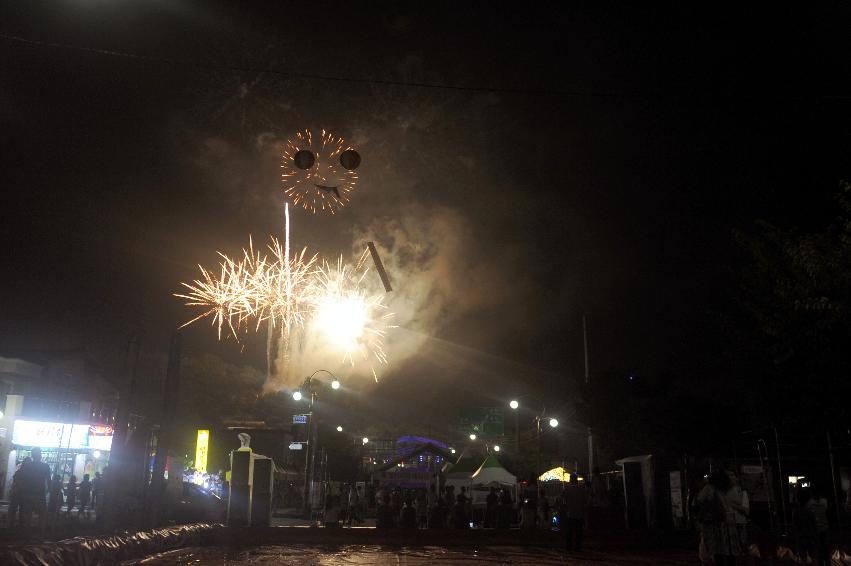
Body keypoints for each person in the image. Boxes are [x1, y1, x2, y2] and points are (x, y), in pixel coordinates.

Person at [695, 469, 737, 566]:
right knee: (726, 548)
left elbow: (699, 500)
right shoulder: (726, 488)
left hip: (711, 521)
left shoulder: (709, 488)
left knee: (713, 548)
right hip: (724, 520)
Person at [20, 448, 51, 529]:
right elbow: (49, 482)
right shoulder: (45, 466)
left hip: (29, 493)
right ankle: (40, 536)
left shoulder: (28, 466)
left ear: (32, 455)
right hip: (40, 493)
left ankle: (27, 536)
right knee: (42, 516)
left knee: (28, 517)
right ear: (40, 455)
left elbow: (23, 479)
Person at [725, 470, 750, 561]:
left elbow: (746, 510)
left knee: (741, 545)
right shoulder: (724, 491)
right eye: (729, 476)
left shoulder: (742, 492)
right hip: (728, 523)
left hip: (739, 522)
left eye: (732, 475)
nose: (730, 478)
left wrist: (732, 504)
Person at [561, 483, 589, 552]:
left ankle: (568, 547)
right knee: (578, 531)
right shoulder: (582, 489)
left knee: (569, 531)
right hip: (579, 513)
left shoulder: (567, 489)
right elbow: (585, 501)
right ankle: (577, 547)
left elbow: (563, 500)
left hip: (570, 513)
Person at [806, 487, 830, 566]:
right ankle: (825, 563)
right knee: (823, 548)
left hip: (819, 529)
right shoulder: (824, 501)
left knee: (821, 548)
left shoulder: (810, 503)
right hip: (821, 528)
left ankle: (824, 563)